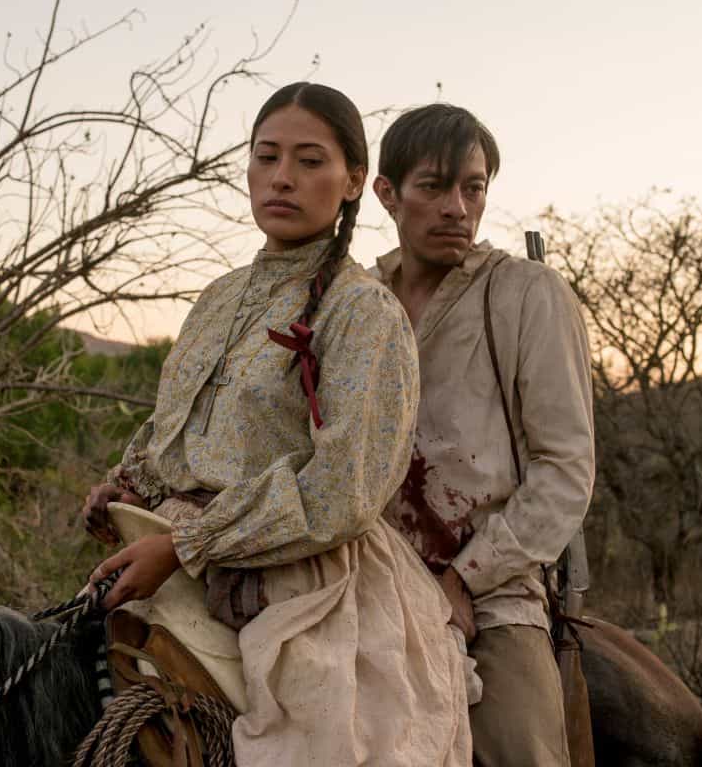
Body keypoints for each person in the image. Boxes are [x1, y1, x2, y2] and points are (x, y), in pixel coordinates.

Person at [82, 82, 470, 766]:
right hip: (166, 545)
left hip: (302, 576)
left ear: (354, 180)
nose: (283, 178)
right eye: (267, 157)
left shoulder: (363, 314)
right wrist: (128, 485)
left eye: (310, 161)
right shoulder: (219, 296)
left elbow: (344, 493)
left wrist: (188, 545)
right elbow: (176, 430)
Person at [369, 103, 596, 767]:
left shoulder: (527, 293)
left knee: (517, 746)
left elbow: (565, 470)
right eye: (434, 187)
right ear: (387, 193)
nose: (458, 208)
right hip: (365, 579)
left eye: (473, 188)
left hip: (492, 590)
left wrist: (468, 579)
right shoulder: (357, 301)